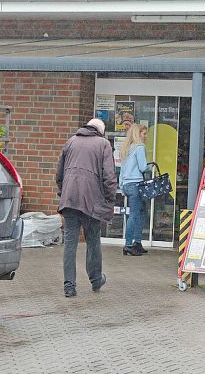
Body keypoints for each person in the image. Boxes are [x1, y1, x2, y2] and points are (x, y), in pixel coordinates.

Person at [56, 118, 117, 298]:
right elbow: (109, 176)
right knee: (93, 241)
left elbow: (59, 173)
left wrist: (64, 192)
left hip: (70, 199)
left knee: (70, 244)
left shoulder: (70, 141)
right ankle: (96, 279)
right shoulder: (103, 144)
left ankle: (69, 286)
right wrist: (109, 198)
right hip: (91, 200)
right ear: (100, 131)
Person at [119, 123, 150, 257]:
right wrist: (150, 166)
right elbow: (143, 167)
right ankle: (129, 245)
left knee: (141, 212)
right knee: (135, 214)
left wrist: (122, 186)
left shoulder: (127, 148)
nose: (146, 136)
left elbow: (122, 170)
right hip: (136, 184)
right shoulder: (139, 147)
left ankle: (137, 242)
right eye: (144, 133)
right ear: (138, 134)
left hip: (127, 184)